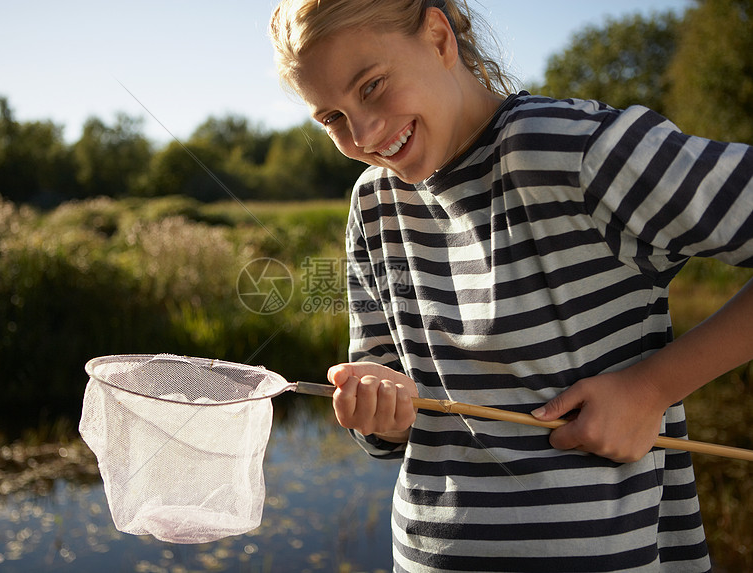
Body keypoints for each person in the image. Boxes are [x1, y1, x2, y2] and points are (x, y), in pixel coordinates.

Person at [269, 0, 753, 571]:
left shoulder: (574, 150)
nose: (365, 133)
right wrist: (379, 409)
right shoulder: (374, 205)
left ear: (438, 37)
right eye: (332, 118)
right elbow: (382, 431)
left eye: (372, 86)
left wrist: (651, 388)